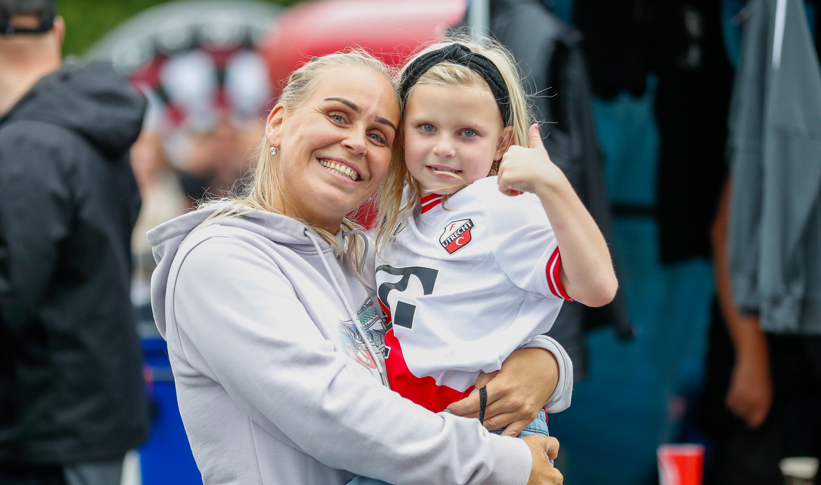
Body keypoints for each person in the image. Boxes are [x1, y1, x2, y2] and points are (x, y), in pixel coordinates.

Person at [148, 49, 570, 484]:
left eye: (379, 136)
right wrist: (506, 464)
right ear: (277, 123)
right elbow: (330, 413)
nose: (355, 142)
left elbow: (457, 330)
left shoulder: (372, 258)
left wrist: (546, 363)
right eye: (337, 116)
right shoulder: (218, 259)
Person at [371, 38, 616, 445]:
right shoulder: (401, 216)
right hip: (423, 424)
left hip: (485, 424)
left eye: (468, 133)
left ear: (502, 143)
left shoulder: (503, 204)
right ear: (401, 134)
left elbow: (598, 287)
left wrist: (552, 185)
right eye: (426, 127)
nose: (444, 147)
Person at [0, 0, 149, 483]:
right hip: (82, 418)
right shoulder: (89, 130)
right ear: (59, 31)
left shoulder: (28, 146)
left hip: (39, 434)